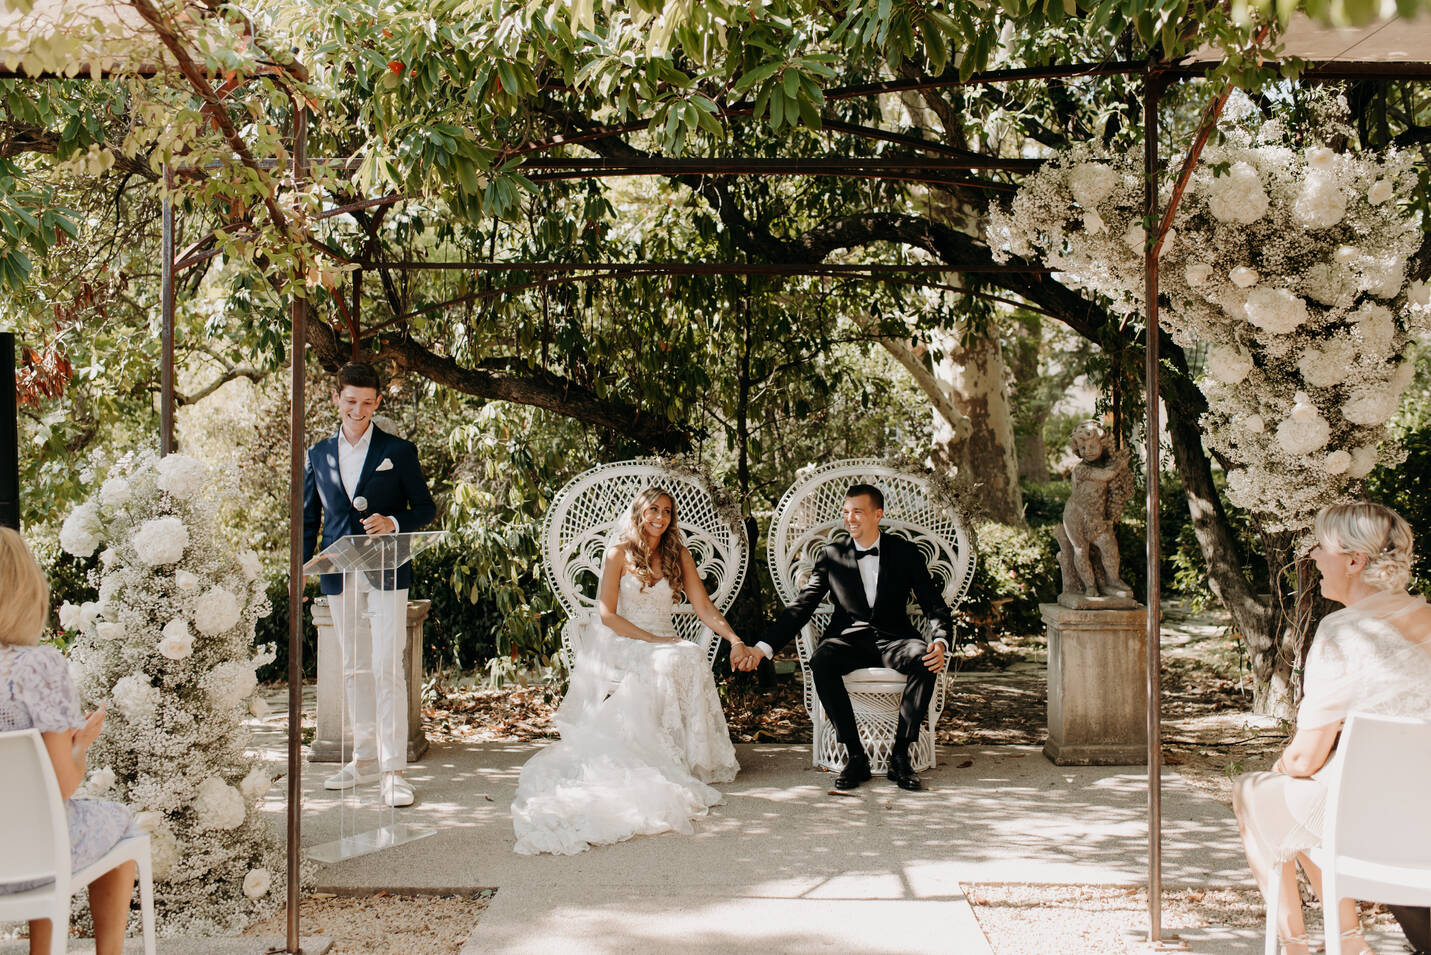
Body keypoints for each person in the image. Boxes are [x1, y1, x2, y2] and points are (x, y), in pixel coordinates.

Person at [1233, 502, 1431, 955]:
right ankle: (1347, 941)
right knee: (1307, 795)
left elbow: (1304, 759)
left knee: (1255, 790)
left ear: (1355, 561)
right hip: (1424, 819)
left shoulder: (1343, 632)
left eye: (1321, 547)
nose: (1314, 557)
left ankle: (1306, 946)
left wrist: (1281, 768)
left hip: (1374, 824)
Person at [511, 487, 745, 855]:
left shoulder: (678, 553)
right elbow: (606, 614)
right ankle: (658, 754)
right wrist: (651, 639)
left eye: (667, 511)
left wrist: (734, 639)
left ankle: (693, 756)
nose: (660, 517)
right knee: (664, 659)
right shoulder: (618, 553)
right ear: (639, 512)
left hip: (664, 638)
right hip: (625, 639)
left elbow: (703, 606)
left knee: (693, 655)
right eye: (654, 509)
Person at [737, 483, 952, 792]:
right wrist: (762, 649)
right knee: (821, 661)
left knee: (925, 659)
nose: (850, 519)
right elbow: (802, 607)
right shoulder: (831, 554)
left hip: (895, 639)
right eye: (846, 512)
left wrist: (940, 641)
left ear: (877, 515)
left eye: (858, 512)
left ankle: (900, 754)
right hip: (849, 640)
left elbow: (933, 602)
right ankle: (855, 755)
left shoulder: (904, 552)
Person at [0, 528, 140, 955]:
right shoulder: (38, 666)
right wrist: (80, 747)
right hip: (28, 856)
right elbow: (61, 785)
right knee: (118, 822)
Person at [303, 362, 436, 807]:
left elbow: (425, 508)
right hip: (338, 571)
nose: (357, 410)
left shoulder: (398, 451)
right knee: (354, 667)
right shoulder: (318, 453)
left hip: (387, 569)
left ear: (378, 402)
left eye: (366, 402)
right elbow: (308, 519)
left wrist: (393, 521)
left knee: (385, 665)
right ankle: (362, 759)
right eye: (350, 400)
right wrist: (301, 570)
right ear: (336, 398)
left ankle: (393, 770)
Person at [1055, 419, 1135, 600]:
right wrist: (1121, 463)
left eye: (1092, 446)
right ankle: (1090, 587)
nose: (1087, 451)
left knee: (1109, 547)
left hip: (1095, 516)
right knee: (1081, 550)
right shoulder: (1081, 469)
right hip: (1075, 515)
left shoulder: (1105, 464)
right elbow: (1106, 475)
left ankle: (1113, 580)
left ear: (1102, 444)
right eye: (1082, 448)